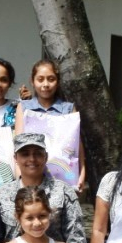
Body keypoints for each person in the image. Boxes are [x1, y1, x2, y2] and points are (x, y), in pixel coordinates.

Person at [0, 132, 89, 243]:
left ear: (46, 157)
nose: (32, 159)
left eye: (38, 153)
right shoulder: (2, 194)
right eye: (25, 154)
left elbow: (76, 239)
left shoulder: (63, 191)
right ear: (15, 158)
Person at [14, 59, 86, 191]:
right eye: (40, 79)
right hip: (31, 178)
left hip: (63, 179)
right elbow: (18, 144)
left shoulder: (68, 109)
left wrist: (81, 173)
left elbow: (77, 146)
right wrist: (19, 177)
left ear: (57, 82)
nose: (45, 84)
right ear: (32, 81)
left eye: (51, 79)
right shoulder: (24, 107)